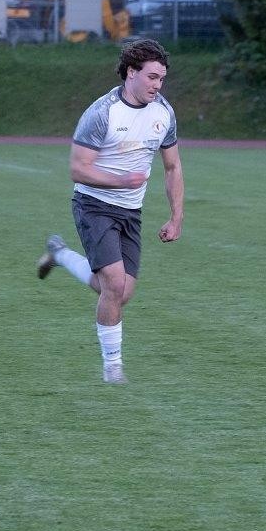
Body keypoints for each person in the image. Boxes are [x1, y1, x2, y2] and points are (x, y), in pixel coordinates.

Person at [36, 39, 185, 384]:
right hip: (93, 205)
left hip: (131, 211)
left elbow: (173, 167)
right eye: (151, 77)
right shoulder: (102, 113)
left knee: (119, 292)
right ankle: (112, 369)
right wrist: (122, 181)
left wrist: (176, 216)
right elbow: (78, 169)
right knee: (114, 285)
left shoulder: (163, 113)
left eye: (162, 79)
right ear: (131, 73)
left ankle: (59, 254)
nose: (158, 85)